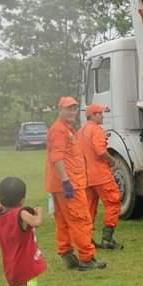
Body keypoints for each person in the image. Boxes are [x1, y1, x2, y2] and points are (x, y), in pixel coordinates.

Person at [45, 96, 106, 271]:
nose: (72, 112)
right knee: (81, 220)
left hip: (62, 184)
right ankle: (86, 259)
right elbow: (56, 157)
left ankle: (67, 254)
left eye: (74, 109)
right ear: (60, 110)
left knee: (63, 221)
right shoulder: (60, 130)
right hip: (69, 184)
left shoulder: (65, 129)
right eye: (68, 109)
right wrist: (66, 181)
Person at [81, 104, 123, 250]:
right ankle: (107, 239)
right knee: (113, 203)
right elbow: (100, 151)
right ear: (91, 116)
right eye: (98, 113)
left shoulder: (81, 131)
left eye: (101, 113)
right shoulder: (97, 130)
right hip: (101, 175)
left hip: (86, 176)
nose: (101, 116)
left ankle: (87, 240)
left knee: (89, 208)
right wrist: (112, 161)